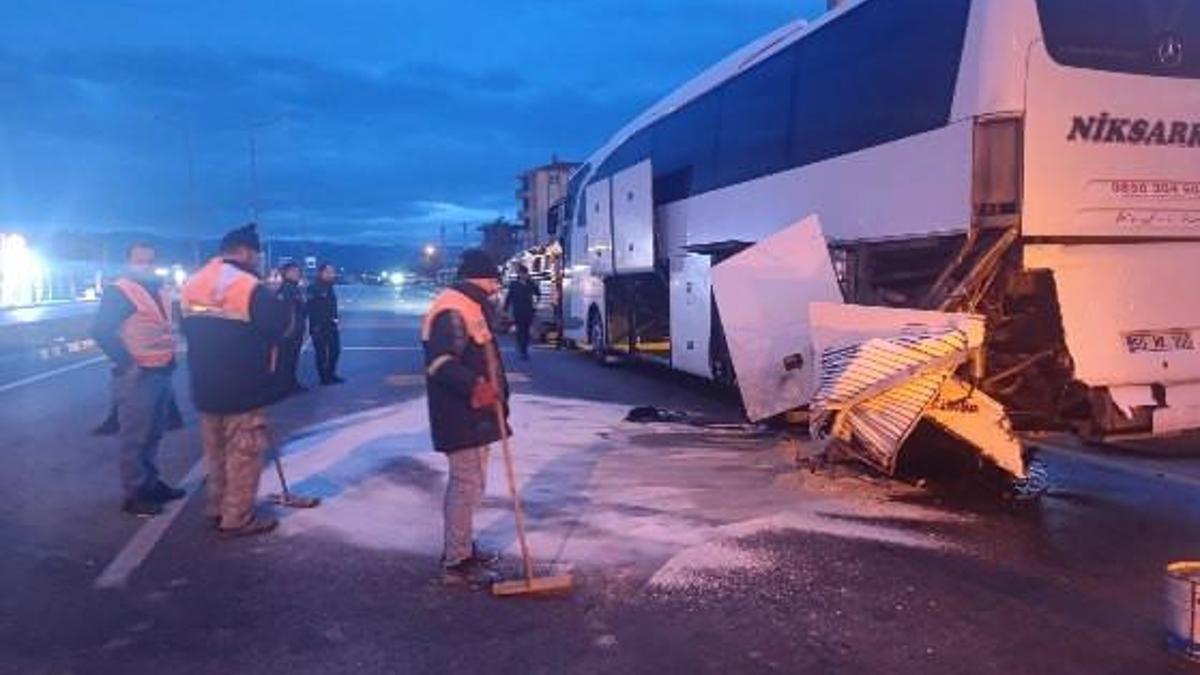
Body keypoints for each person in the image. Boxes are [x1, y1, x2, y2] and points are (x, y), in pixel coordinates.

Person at [180, 224, 292, 538]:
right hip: (243, 384)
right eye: (256, 254)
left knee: (214, 452)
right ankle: (238, 517)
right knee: (243, 453)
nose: (257, 260)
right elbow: (281, 328)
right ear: (244, 251)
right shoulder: (248, 286)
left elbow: (185, 328)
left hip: (204, 382)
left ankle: (217, 507)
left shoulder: (192, 283)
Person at [422, 249, 510, 586]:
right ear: (479, 278)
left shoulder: (470, 306)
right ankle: (456, 562)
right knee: (465, 486)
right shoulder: (453, 309)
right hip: (460, 413)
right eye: (492, 280)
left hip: (475, 415)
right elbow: (441, 362)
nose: (495, 286)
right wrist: (476, 385)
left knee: (472, 487)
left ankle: (463, 548)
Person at [91, 243, 184, 517]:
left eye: (150, 260)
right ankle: (135, 495)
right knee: (135, 438)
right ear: (127, 262)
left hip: (161, 370)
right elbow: (100, 331)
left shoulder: (159, 289)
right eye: (139, 260)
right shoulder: (120, 290)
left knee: (153, 434)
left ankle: (151, 484)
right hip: (138, 375)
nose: (145, 265)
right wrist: (127, 363)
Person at [307, 263, 344, 385]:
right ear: (321, 273)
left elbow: (330, 306)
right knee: (321, 353)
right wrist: (316, 325)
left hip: (331, 325)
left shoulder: (329, 287)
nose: (331, 274)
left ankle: (331, 374)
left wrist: (335, 318)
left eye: (332, 272)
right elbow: (312, 308)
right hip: (319, 326)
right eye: (328, 272)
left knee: (335, 350)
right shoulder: (314, 287)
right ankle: (324, 378)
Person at [275, 262, 308, 393]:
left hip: (295, 330)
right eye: (294, 271)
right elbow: (286, 313)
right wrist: (288, 330)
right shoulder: (287, 290)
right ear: (285, 273)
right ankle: (286, 386)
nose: (297, 273)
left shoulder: (293, 288)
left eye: (298, 271)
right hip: (290, 332)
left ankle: (290, 383)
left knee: (292, 360)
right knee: (287, 360)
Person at [503, 263, 541, 360]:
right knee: (520, 330)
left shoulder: (530, 283)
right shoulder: (514, 284)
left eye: (525, 273)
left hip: (529, 310)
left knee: (526, 330)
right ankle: (522, 350)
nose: (523, 275)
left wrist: (536, 304)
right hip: (518, 310)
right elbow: (509, 297)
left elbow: (538, 294)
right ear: (519, 274)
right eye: (521, 273)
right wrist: (505, 309)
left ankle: (524, 349)